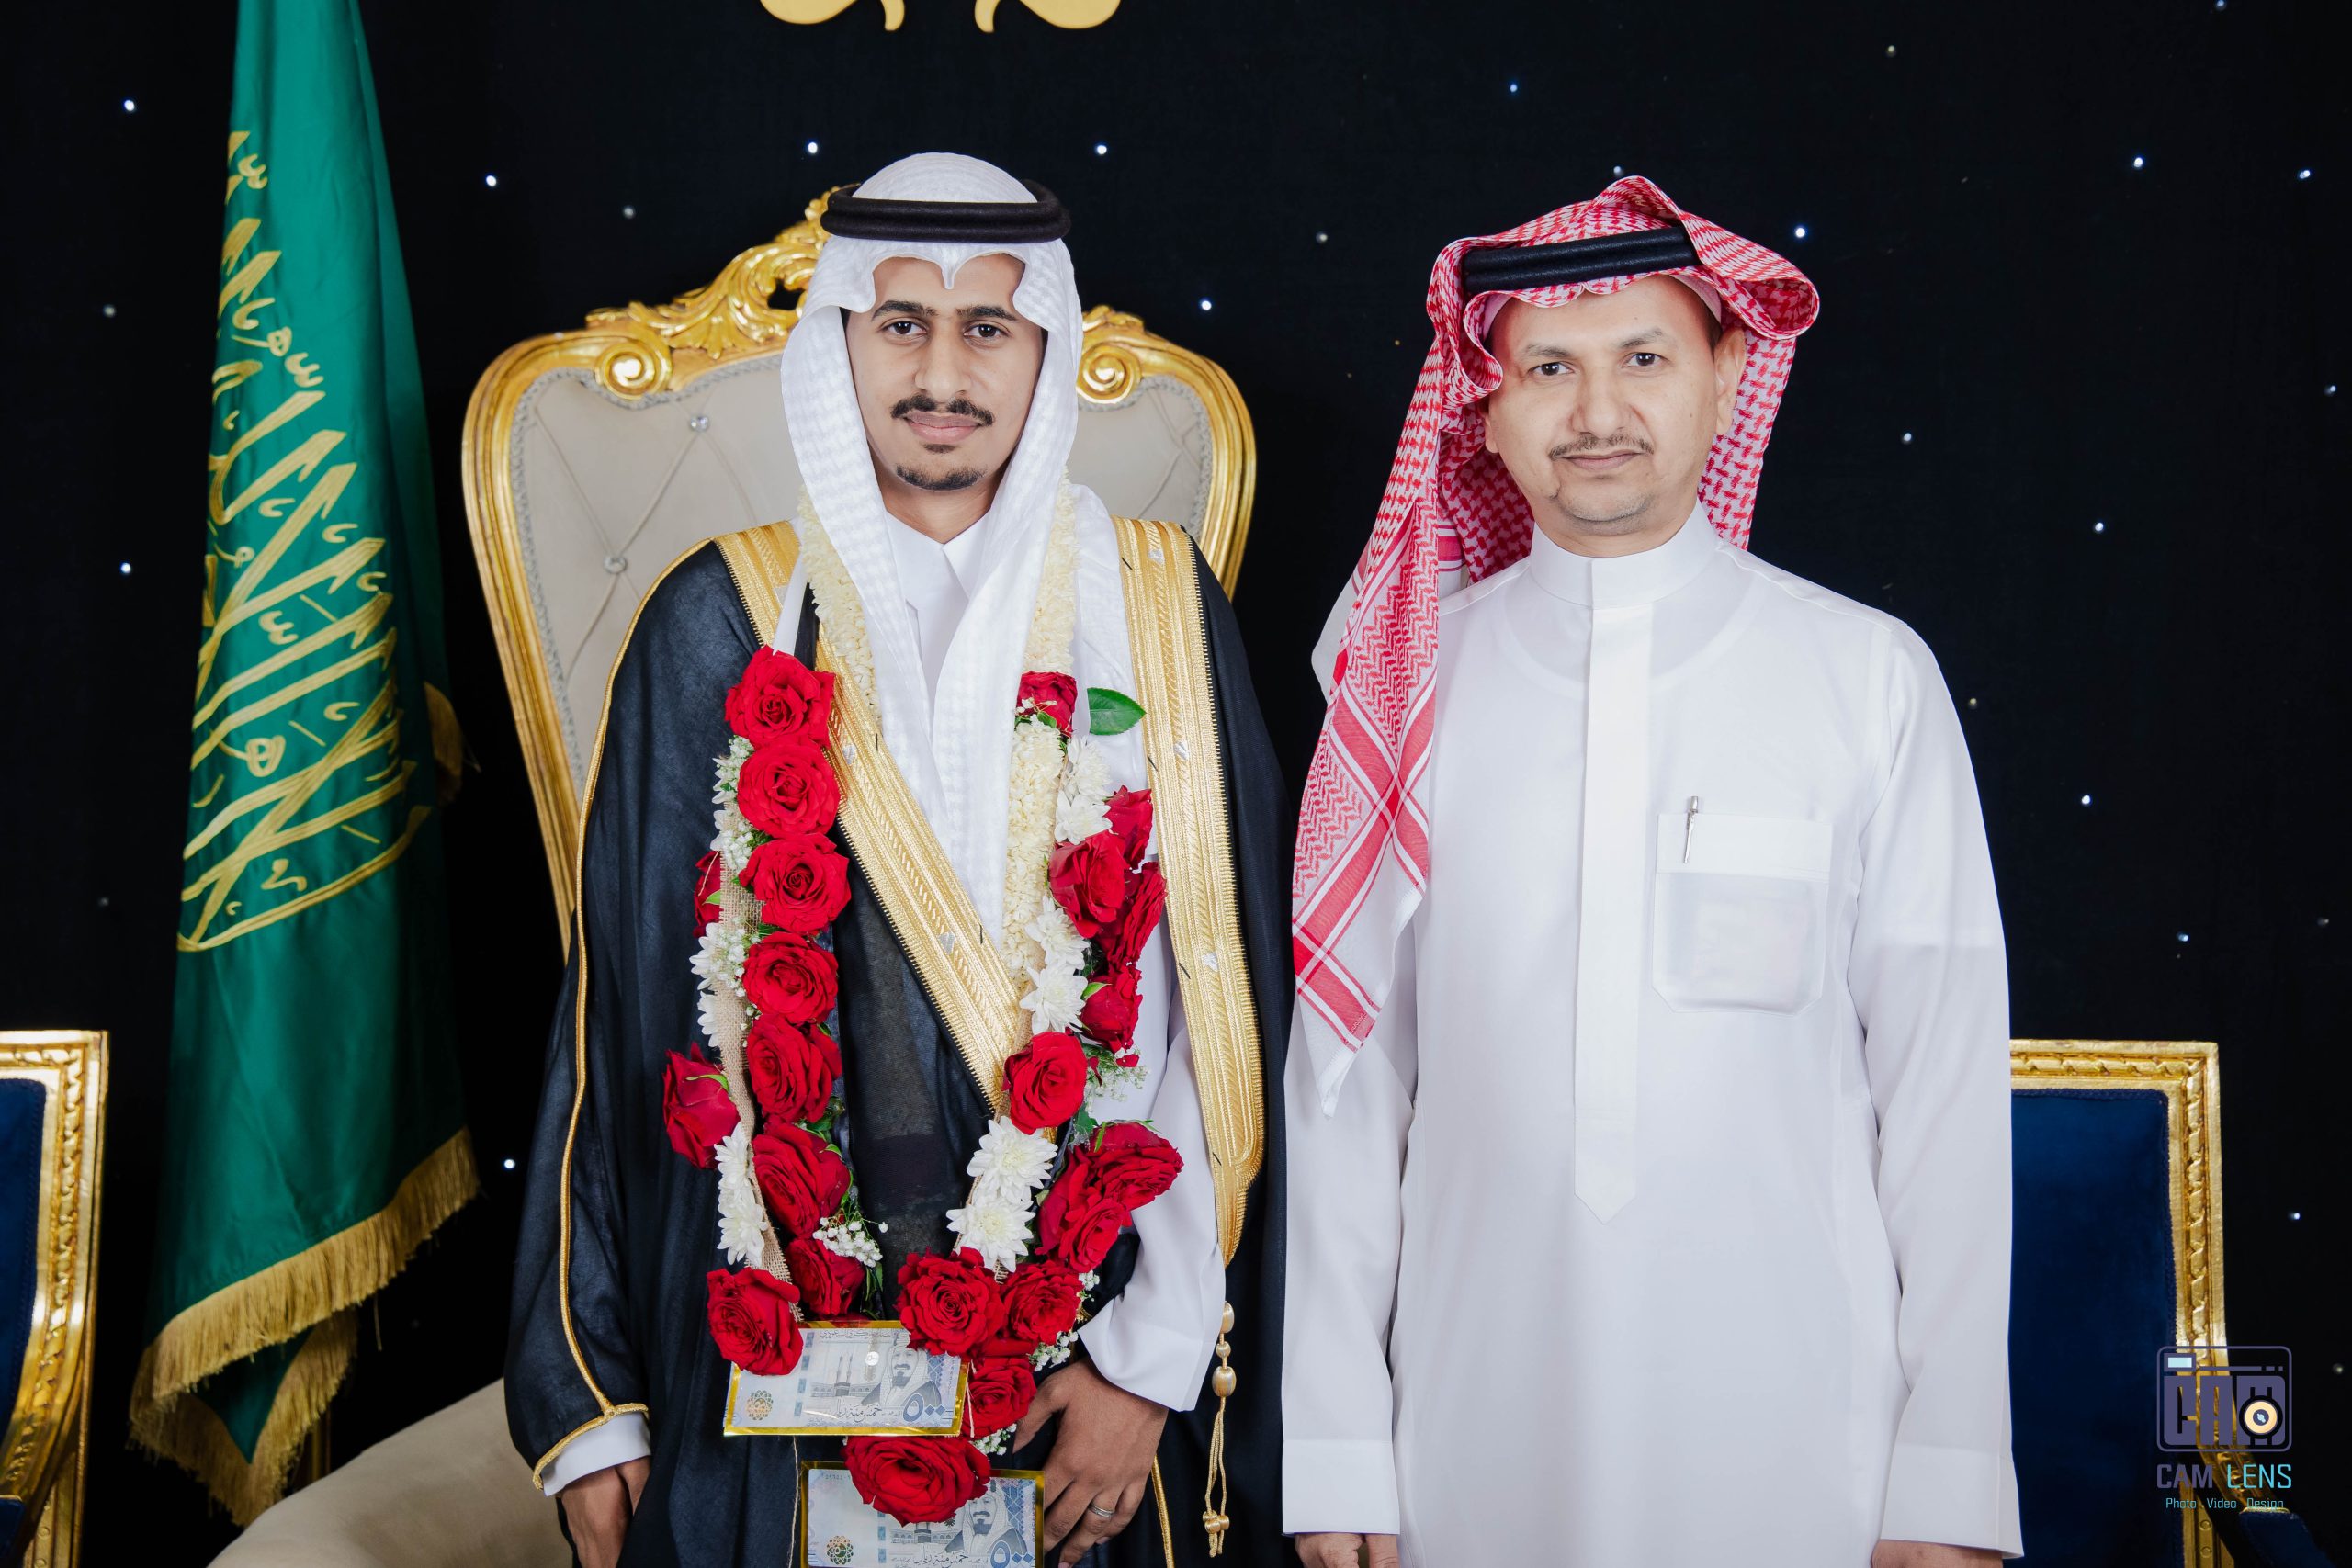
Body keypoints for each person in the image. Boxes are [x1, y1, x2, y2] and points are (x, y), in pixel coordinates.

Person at [505, 152, 1289, 1568]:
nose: (942, 373)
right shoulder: (719, 618)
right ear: (840, 348)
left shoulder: (1154, 606)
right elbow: (622, 1024)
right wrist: (593, 1407)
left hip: (1084, 1374)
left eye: (988, 325)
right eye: (902, 323)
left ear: (1045, 345)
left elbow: (1218, 1020)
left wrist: (1151, 1360)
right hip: (779, 1372)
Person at [1282, 177, 2020, 1567]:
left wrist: (1952, 1478)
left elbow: (1945, 1101)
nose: (1598, 412)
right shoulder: (1403, 693)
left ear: (1728, 376)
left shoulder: (1865, 677)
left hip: (1807, 1428)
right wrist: (1334, 1447)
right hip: (1471, 1419)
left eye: (1643, 359)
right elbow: (1348, 1093)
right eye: (1548, 369)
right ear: (1482, 407)